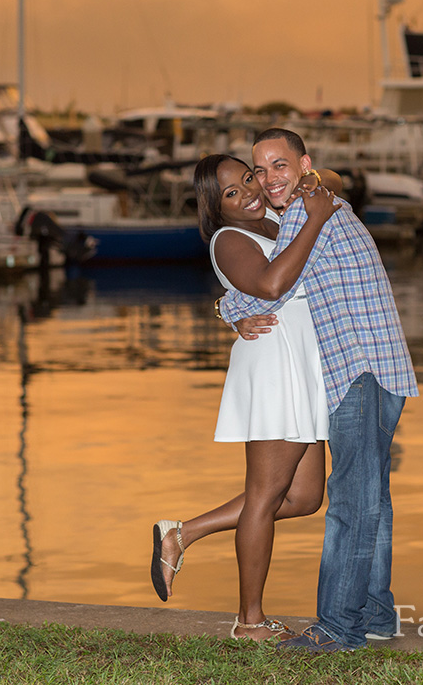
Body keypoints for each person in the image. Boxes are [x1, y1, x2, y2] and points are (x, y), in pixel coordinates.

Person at [219, 127, 418, 652]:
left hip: (358, 371)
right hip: (378, 370)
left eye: (278, 166)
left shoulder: (311, 210)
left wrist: (226, 309)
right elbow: (291, 286)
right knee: (372, 498)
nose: (267, 180)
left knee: (352, 504)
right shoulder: (317, 203)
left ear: (303, 165)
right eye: (259, 170)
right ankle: (375, 613)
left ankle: (339, 628)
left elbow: (273, 288)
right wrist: (233, 311)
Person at [151, 154, 340, 642]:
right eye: (231, 192)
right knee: (264, 495)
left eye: (249, 178)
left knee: (303, 498)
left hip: (302, 362)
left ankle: (182, 534)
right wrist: (314, 220)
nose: (250, 191)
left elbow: (335, 180)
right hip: (276, 365)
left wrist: (313, 187)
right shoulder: (229, 239)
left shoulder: (280, 215)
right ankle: (249, 622)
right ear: (216, 207)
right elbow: (270, 283)